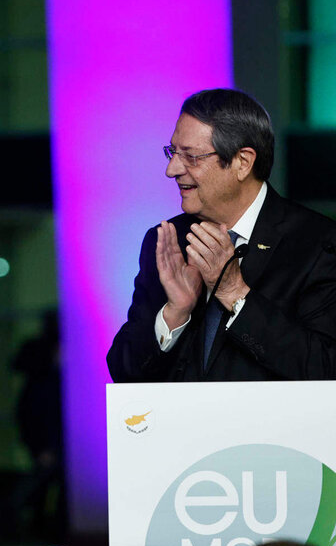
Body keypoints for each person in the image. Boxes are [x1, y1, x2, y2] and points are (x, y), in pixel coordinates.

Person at [108, 88, 336, 381]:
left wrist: (235, 294)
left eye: (190, 157)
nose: (171, 169)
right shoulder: (167, 241)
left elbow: (326, 367)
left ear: (242, 162)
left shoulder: (318, 243)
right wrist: (174, 313)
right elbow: (125, 374)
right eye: (172, 152)